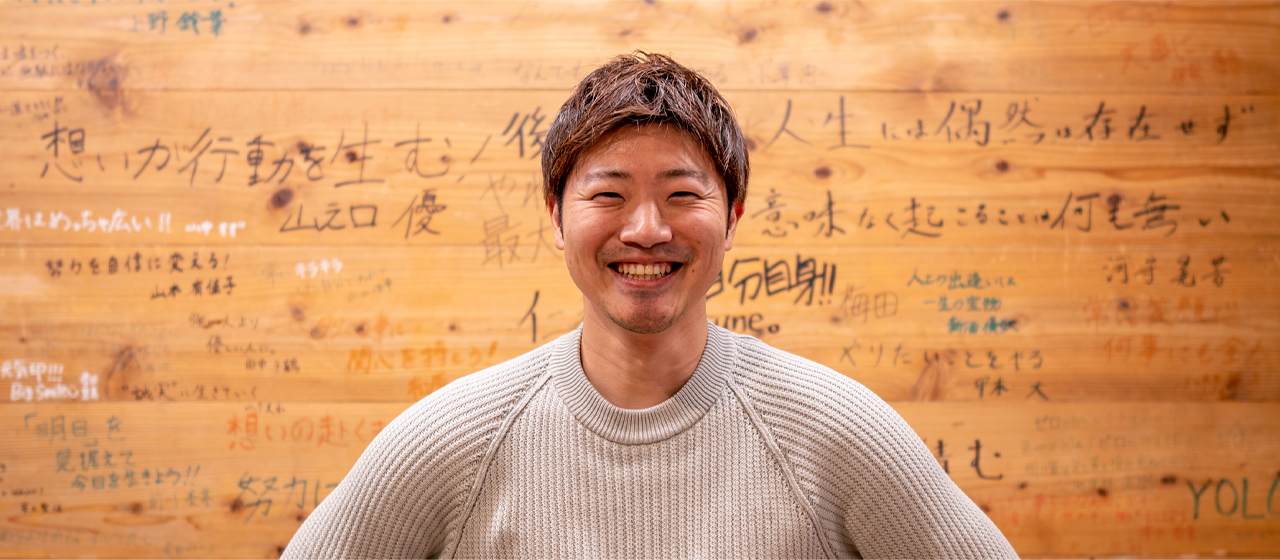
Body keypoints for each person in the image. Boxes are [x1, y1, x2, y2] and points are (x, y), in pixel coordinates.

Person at [283, 51, 1018, 559]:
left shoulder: (835, 432)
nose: (645, 230)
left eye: (681, 194)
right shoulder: (453, 441)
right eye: (608, 194)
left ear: (731, 217)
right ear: (556, 217)